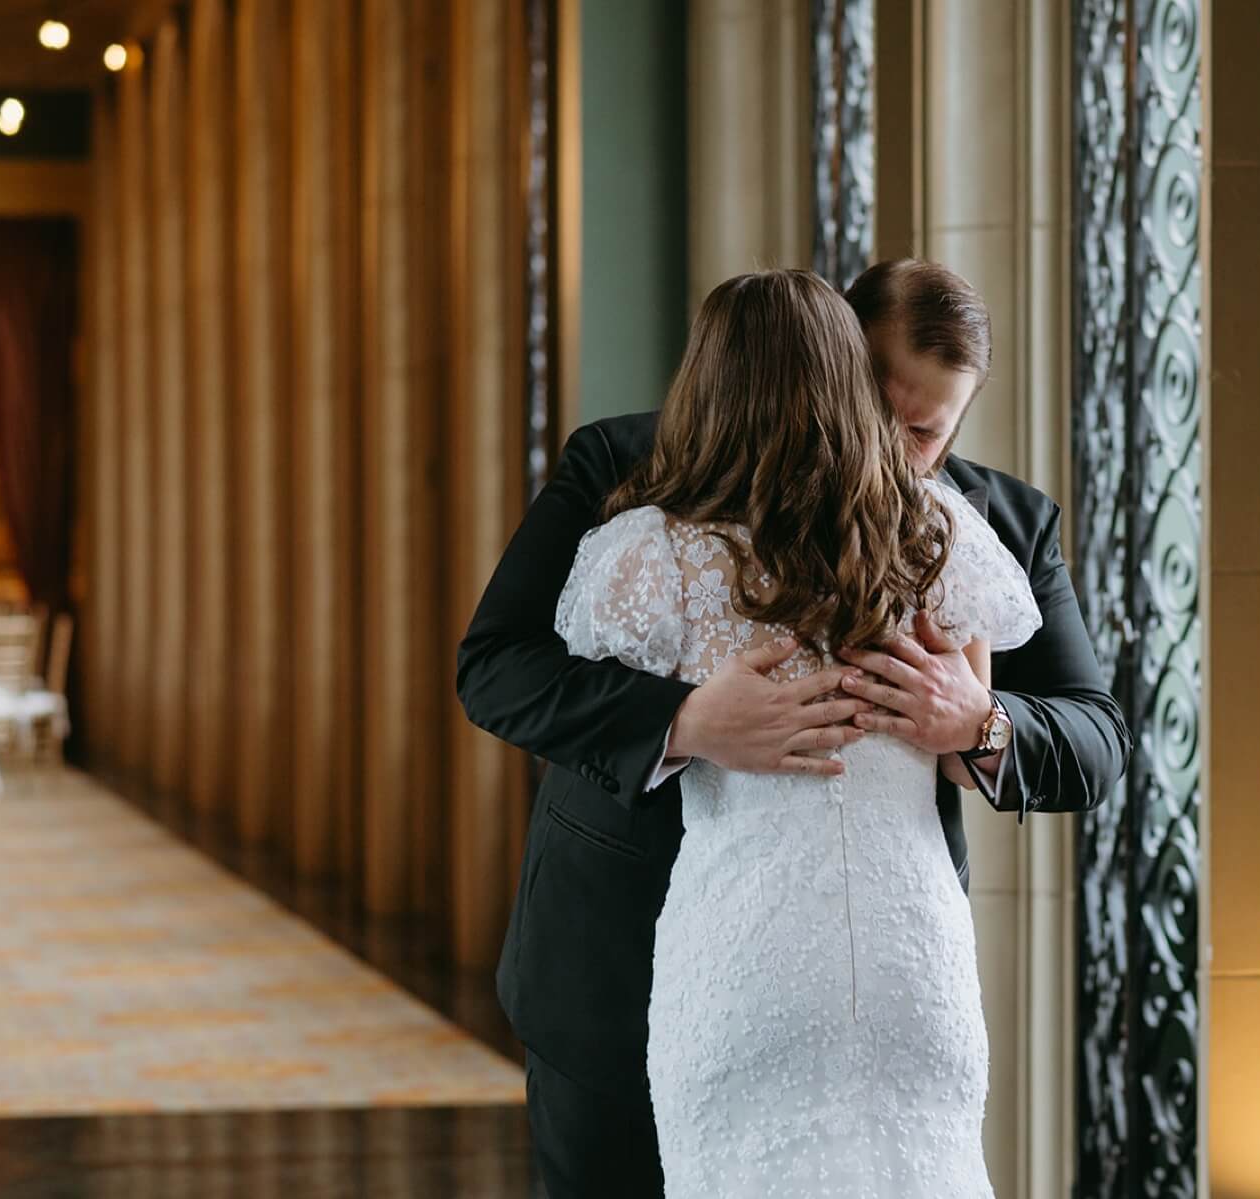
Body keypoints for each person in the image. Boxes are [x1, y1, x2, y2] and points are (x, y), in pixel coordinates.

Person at [456, 260, 1129, 1196]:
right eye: (873, 403)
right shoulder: (626, 470)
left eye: (927, 429)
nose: (891, 448)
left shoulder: (985, 526)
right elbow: (496, 666)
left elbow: (1096, 739)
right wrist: (685, 720)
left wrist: (979, 722)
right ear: (828, 361)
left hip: (880, 981)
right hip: (611, 959)